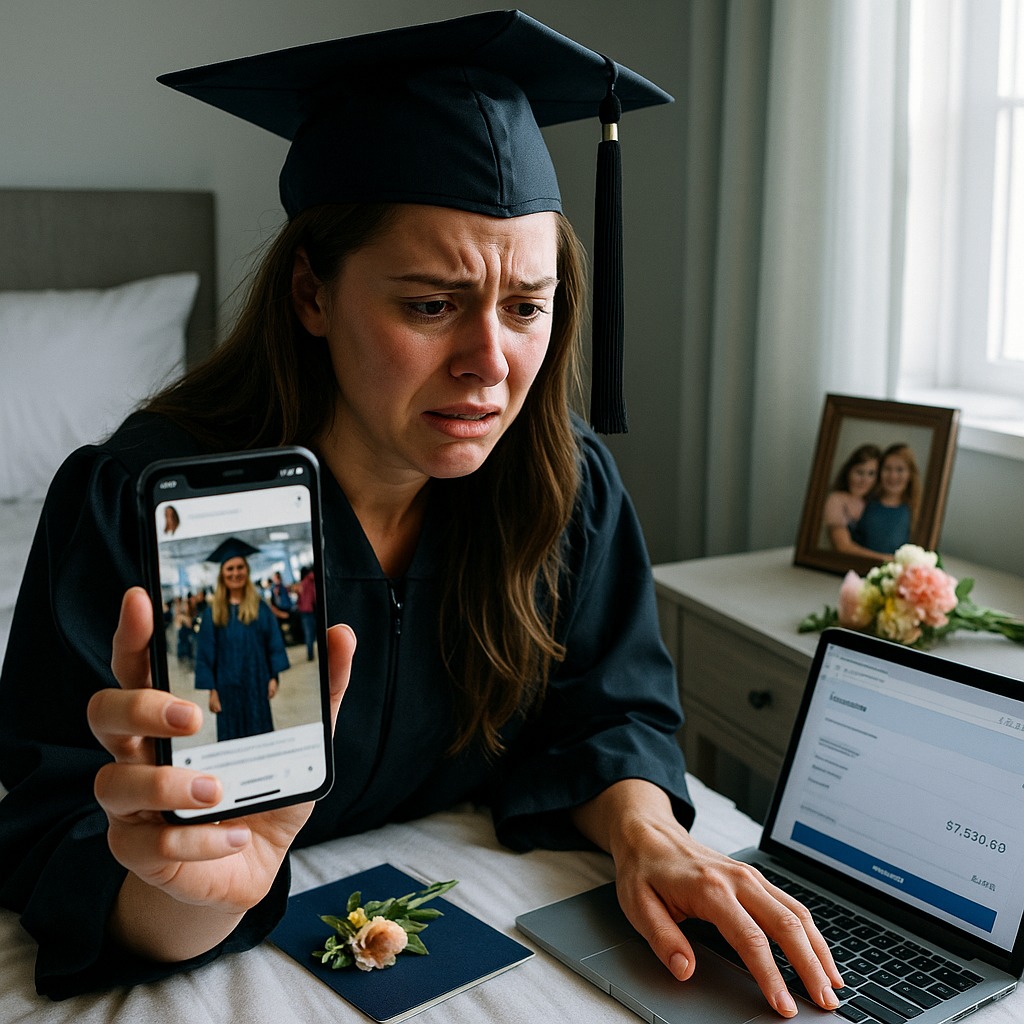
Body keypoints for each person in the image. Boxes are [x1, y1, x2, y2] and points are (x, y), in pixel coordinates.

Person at [0, 11, 841, 1014]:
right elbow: (61, 838)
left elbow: (607, 710)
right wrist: (192, 894)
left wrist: (647, 832)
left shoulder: (563, 486)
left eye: (525, 306)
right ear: (312, 294)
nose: (490, 365)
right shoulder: (141, 507)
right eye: (431, 304)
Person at [193, 540, 290, 742]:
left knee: (260, 737)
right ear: (222, 574)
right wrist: (212, 691)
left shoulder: (260, 608)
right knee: (232, 739)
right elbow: (205, 653)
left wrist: (273, 677)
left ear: (247, 570)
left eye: (240, 567)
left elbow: (273, 643)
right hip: (226, 688)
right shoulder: (212, 614)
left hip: (257, 682)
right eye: (230, 568)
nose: (235, 573)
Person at [850, 443, 920, 556]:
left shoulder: (914, 512)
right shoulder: (864, 503)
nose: (893, 476)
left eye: (900, 470)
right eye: (887, 469)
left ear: (910, 474)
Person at [822, 443, 884, 558]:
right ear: (848, 471)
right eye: (859, 472)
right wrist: (886, 559)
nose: (864, 480)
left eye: (871, 474)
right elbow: (843, 547)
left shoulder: (874, 503)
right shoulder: (836, 499)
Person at [295, 566, 317, 662]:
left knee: (308, 633)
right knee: (311, 633)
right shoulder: (310, 581)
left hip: (303, 611)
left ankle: (310, 654)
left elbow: (299, 599)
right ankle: (311, 654)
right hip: (310, 610)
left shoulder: (302, 583)